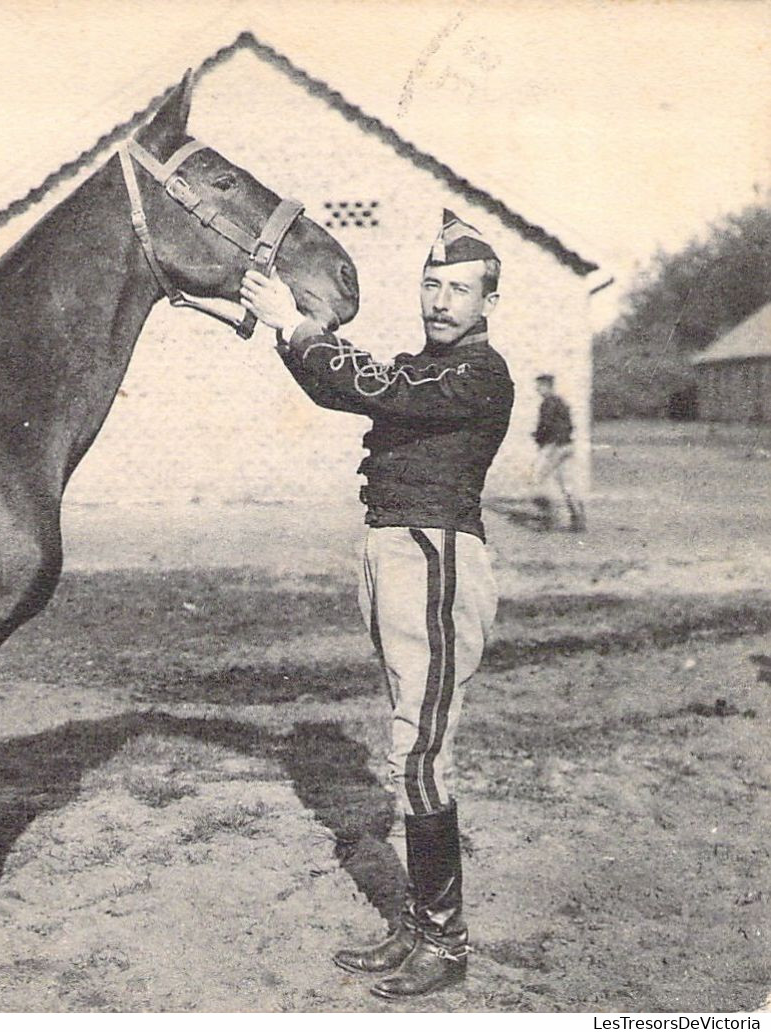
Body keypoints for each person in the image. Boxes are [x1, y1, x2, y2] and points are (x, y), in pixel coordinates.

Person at [239, 210, 515, 1000]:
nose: (440, 301)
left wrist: (296, 326)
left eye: (459, 289)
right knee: (409, 743)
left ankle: (445, 940)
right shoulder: (422, 367)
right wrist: (285, 329)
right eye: (430, 285)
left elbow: (375, 387)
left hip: (435, 558)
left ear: (487, 303)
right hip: (394, 552)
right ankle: (418, 930)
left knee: (420, 754)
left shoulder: (477, 373)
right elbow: (342, 388)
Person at [532, 374, 586, 531]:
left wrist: (538, 436)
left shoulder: (547, 403)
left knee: (540, 479)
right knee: (566, 483)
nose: (537, 389)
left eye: (539, 386)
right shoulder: (561, 402)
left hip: (553, 446)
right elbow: (567, 425)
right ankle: (578, 519)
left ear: (547, 386)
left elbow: (546, 426)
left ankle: (550, 518)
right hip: (567, 445)